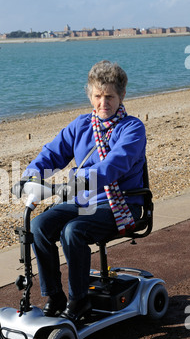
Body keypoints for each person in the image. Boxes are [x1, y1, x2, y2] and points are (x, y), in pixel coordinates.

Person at [12, 60, 147, 323]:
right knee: (39, 225)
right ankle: (55, 296)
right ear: (90, 96)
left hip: (120, 203)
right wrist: (31, 175)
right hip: (84, 199)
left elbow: (114, 165)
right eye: (98, 96)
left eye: (110, 96)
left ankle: (79, 300)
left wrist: (78, 181)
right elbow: (52, 153)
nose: (103, 103)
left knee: (73, 231)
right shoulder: (82, 125)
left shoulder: (132, 128)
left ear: (122, 96)